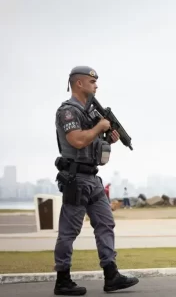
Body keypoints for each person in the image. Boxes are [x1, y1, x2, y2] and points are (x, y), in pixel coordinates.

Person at [53, 66, 138, 295]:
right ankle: (62, 280)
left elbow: (96, 148)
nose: (96, 85)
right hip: (76, 178)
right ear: (78, 83)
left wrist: (106, 137)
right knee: (69, 231)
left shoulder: (92, 113)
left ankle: (111, 275)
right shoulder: (68, 112)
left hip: (92, 178)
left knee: (106, 223)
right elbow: (77, 140)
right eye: (92, 82)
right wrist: (100, 127)